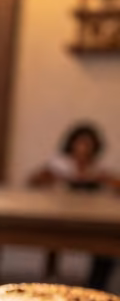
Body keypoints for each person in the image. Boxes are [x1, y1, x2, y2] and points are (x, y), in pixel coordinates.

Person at [29, 122, 119, 290]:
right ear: (71, 144)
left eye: (88, 144)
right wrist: (55, 177)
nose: (84, 148)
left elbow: (116, 184)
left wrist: (101, 179)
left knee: (107, 243)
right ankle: (51, 280)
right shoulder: (60, 165)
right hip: (59, 218)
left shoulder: (97, 169)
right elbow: (33, 181)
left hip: (91, 219)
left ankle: (97, 286)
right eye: (80, 143)